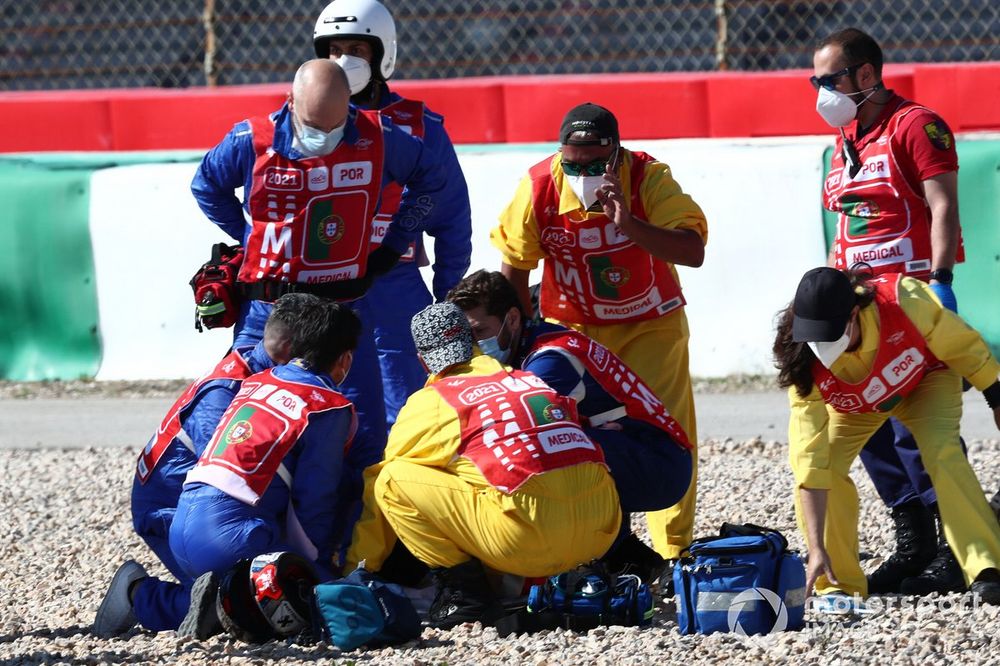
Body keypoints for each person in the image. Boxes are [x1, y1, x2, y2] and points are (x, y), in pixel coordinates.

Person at [190, 58, 447, 560]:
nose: (326, 139)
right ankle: (241, 545)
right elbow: (206, 186)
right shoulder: (250, 140)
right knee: (237, 418)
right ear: (291, 105)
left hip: (340, 314)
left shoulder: (380, 136)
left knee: (362, 434)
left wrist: (392, 248)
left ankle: (361, 556)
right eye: (315, 128)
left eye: (336, 127)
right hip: (268, 311)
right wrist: (247, 234)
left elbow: (432, 182)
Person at [491, 102, 707, 561]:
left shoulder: (649, 178)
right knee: (568, 430)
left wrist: (626, 222)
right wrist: (514, 340)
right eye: (572, 163)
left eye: (593, 164)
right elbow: (514, 267)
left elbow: (692, 250)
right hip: (574, 328)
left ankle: (675, 549)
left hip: (651, 322)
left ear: (616, 155)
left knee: (665, 426)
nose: (581, 171)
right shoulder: (539, 186)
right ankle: (597, 542)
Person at [345, 303, 622, 629]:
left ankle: (467, 597)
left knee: (391, 478)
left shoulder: (435, 401)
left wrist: (358, 569)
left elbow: (384, 488)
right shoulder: (530, 381)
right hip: (601, 533)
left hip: (527, 543)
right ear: (473, 342)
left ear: (422, 360)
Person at [311, 0, 472, 555]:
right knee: (336, 420)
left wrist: (448, 295)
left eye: (355, 51)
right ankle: (343, 549)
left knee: (416, 414)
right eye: (332, 52)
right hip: (327, 294)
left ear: (383, 55)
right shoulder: (303, 121)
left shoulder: (420, 125)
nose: (343, 61)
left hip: (399, 287)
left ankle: (420, 550)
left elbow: (452, 212)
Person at [813, 28, 970, 593]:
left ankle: (957, 544)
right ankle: (914, 536)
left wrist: (943, 283)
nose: (820, 92)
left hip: (912, 299)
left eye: (828, 80)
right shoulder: (844, 137)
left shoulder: (917, 125)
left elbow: (944, 204)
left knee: (918, 426)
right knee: (865, 417)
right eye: (815, 81)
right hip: (859, 307)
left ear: (865, 75)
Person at [773, 266, 1000, 604]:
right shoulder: (800, 354)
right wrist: (816, 548)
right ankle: (837, 581)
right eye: (814, 335)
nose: (821, 344)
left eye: (830, 333)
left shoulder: (904, 300)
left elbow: (962, 344)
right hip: (859, 402)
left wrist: (995, 395)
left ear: (854, 313)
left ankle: (986, 569)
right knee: (827, 466)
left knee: (941, 451)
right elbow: (810, 458)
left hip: (925, 380)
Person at [447, 269, 693, 581]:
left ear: (511, 319)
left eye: (479, 331)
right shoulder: (533, 344)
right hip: (642, 452)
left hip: (659, 465)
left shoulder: (550, 359)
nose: (474, 345)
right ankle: (628, 559)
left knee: (540, 448)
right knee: (558, 442)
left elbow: (509, 431)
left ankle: (584, 558)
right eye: (466, 336)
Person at [93, 294, 307, 637]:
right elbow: (228, 474)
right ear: (287, 346)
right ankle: (139, 595)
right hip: (170, 507)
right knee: (258, 601)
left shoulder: (260, 368)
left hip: (199, 500)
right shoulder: (225, 391)